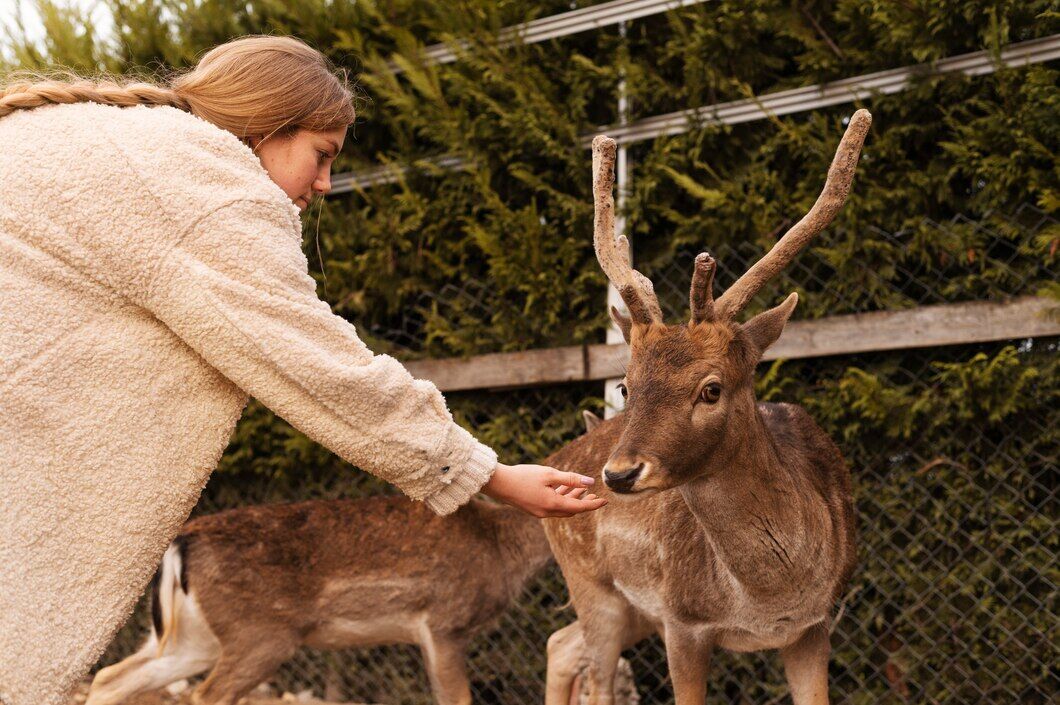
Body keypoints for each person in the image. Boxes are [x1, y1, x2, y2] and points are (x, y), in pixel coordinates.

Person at [0, 35, 605, 705]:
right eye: (322, 156)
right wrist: (489, 474)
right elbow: (321, 368)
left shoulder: (103, 139)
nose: (324, 185)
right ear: (266, 125)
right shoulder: (211, 188)